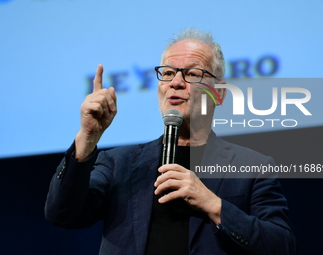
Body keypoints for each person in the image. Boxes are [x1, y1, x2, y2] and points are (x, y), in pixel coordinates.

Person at [45, 29, 297, 255]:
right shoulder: (118, 162)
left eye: (191, 74)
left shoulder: (252, 165)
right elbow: (62, 214)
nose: (175, 82)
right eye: (167, 73)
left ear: (218, 93)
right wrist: (87, 138)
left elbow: (281, 246)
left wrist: (214, 205)